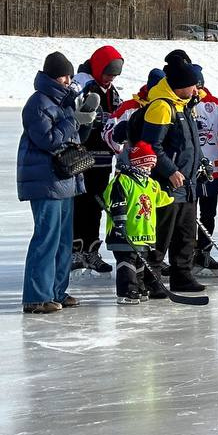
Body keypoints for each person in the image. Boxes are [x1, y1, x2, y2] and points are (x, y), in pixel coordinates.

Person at [18, 52, 88, 313]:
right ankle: (36, 297)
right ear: (50, 76)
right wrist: (73, 120)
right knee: (46, 237)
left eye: (69, 76)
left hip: (65, 177)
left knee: (63, 239)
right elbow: (48, 140)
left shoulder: (63, 102)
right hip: (44, 179)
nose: (67, 80)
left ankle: (57, 291)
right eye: (62, 76)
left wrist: (85, 120)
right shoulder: (37, 103)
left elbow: (74, 137)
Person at [140, 59, 206, 297]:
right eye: (193, 86)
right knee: (162, 233)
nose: (197, 90)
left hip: (188, 183)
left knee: (186, 234)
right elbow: (150, 146)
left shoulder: (184, 106)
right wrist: (169, 170)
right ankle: (153, 277)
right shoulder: (162, 106)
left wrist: (200, 163)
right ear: (181, 86)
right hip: (167, 184)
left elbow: (189, 144)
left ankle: (182, 275)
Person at [70, 44, 124, 274]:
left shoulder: (111, 91)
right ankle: (75, 251)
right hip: (83, 157)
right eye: (108, 73)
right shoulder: (83, 85)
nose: (110, 78)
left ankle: (91, 250)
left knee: (97, 206)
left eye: (114, 75)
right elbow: (73, 117)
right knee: (79, 205)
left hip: (104, 159)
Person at [103, 142, 173, 304]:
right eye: (147, 165)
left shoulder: (150, 183)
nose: (149, 169)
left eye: (151, 166)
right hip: (124, 233)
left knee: (141, 262)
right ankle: (127, 291)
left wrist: (171, 191)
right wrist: (120, 224)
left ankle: (139, 286)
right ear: (138, 163)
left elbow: (159, 199)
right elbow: (116, 203)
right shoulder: (123, 181)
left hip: (143, 233)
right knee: (127, 262)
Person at [191, 66, 218, 274]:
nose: (196, 92)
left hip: (212, 171)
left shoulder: (214, 105)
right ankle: (188, 254)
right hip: (189, 172)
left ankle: (204, 252)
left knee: (209, 213)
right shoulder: (180, 104)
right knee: (187, 215)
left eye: (198, 87)